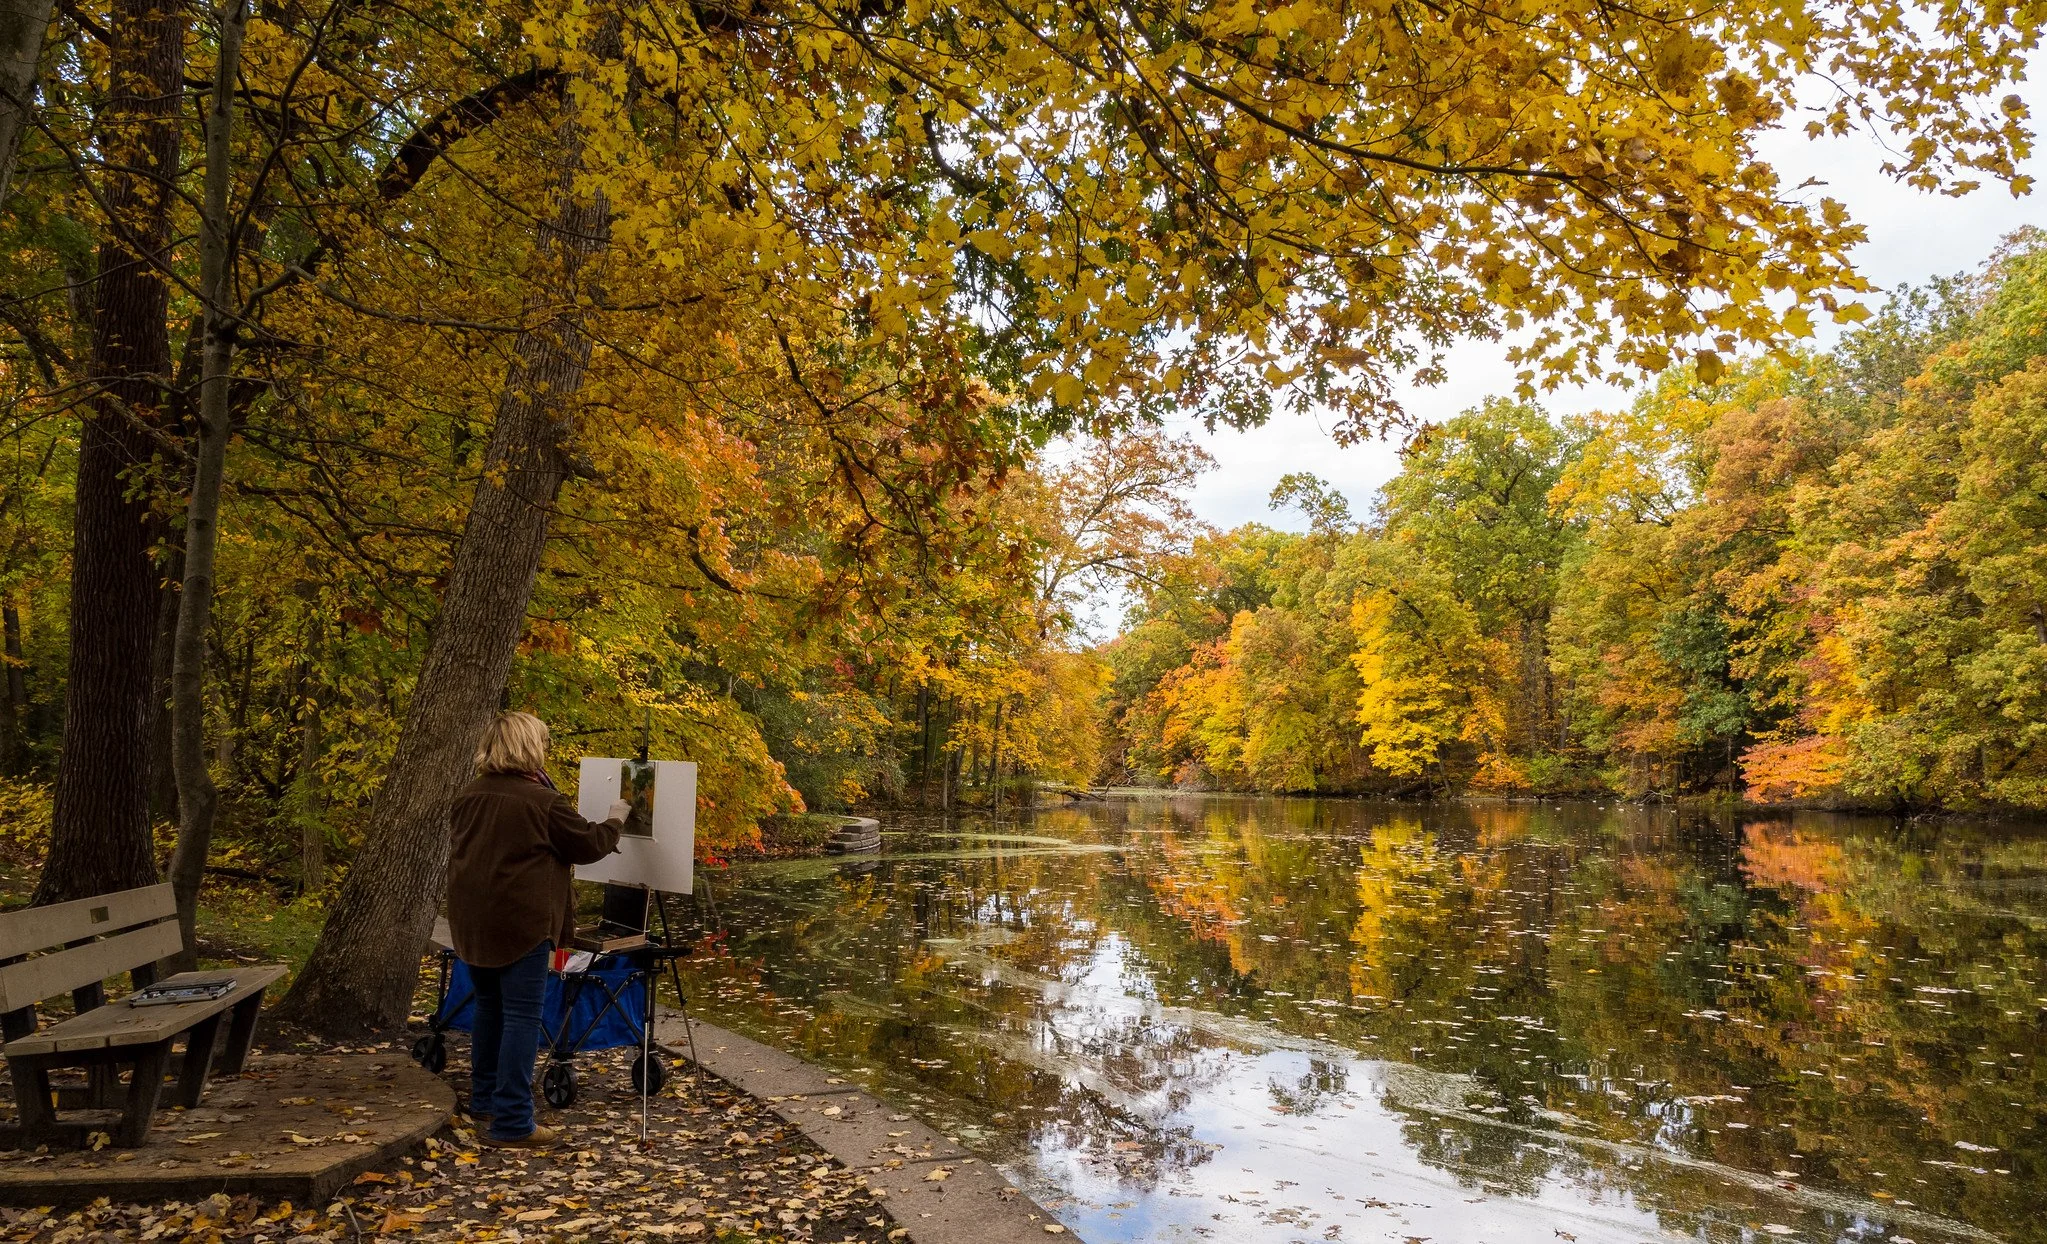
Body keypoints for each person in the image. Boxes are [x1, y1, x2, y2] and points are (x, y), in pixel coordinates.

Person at [447, 711, 627, 1149]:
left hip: (473, 921)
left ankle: (486, 1100)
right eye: (542, 741)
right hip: (521, 924)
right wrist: (617, 817)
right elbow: (588, 845)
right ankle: (512, 1122)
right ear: (529, 747)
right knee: (522, 1019)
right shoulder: (542, 801)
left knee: (490, 1010)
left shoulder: (470, 793)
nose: (545, 747)